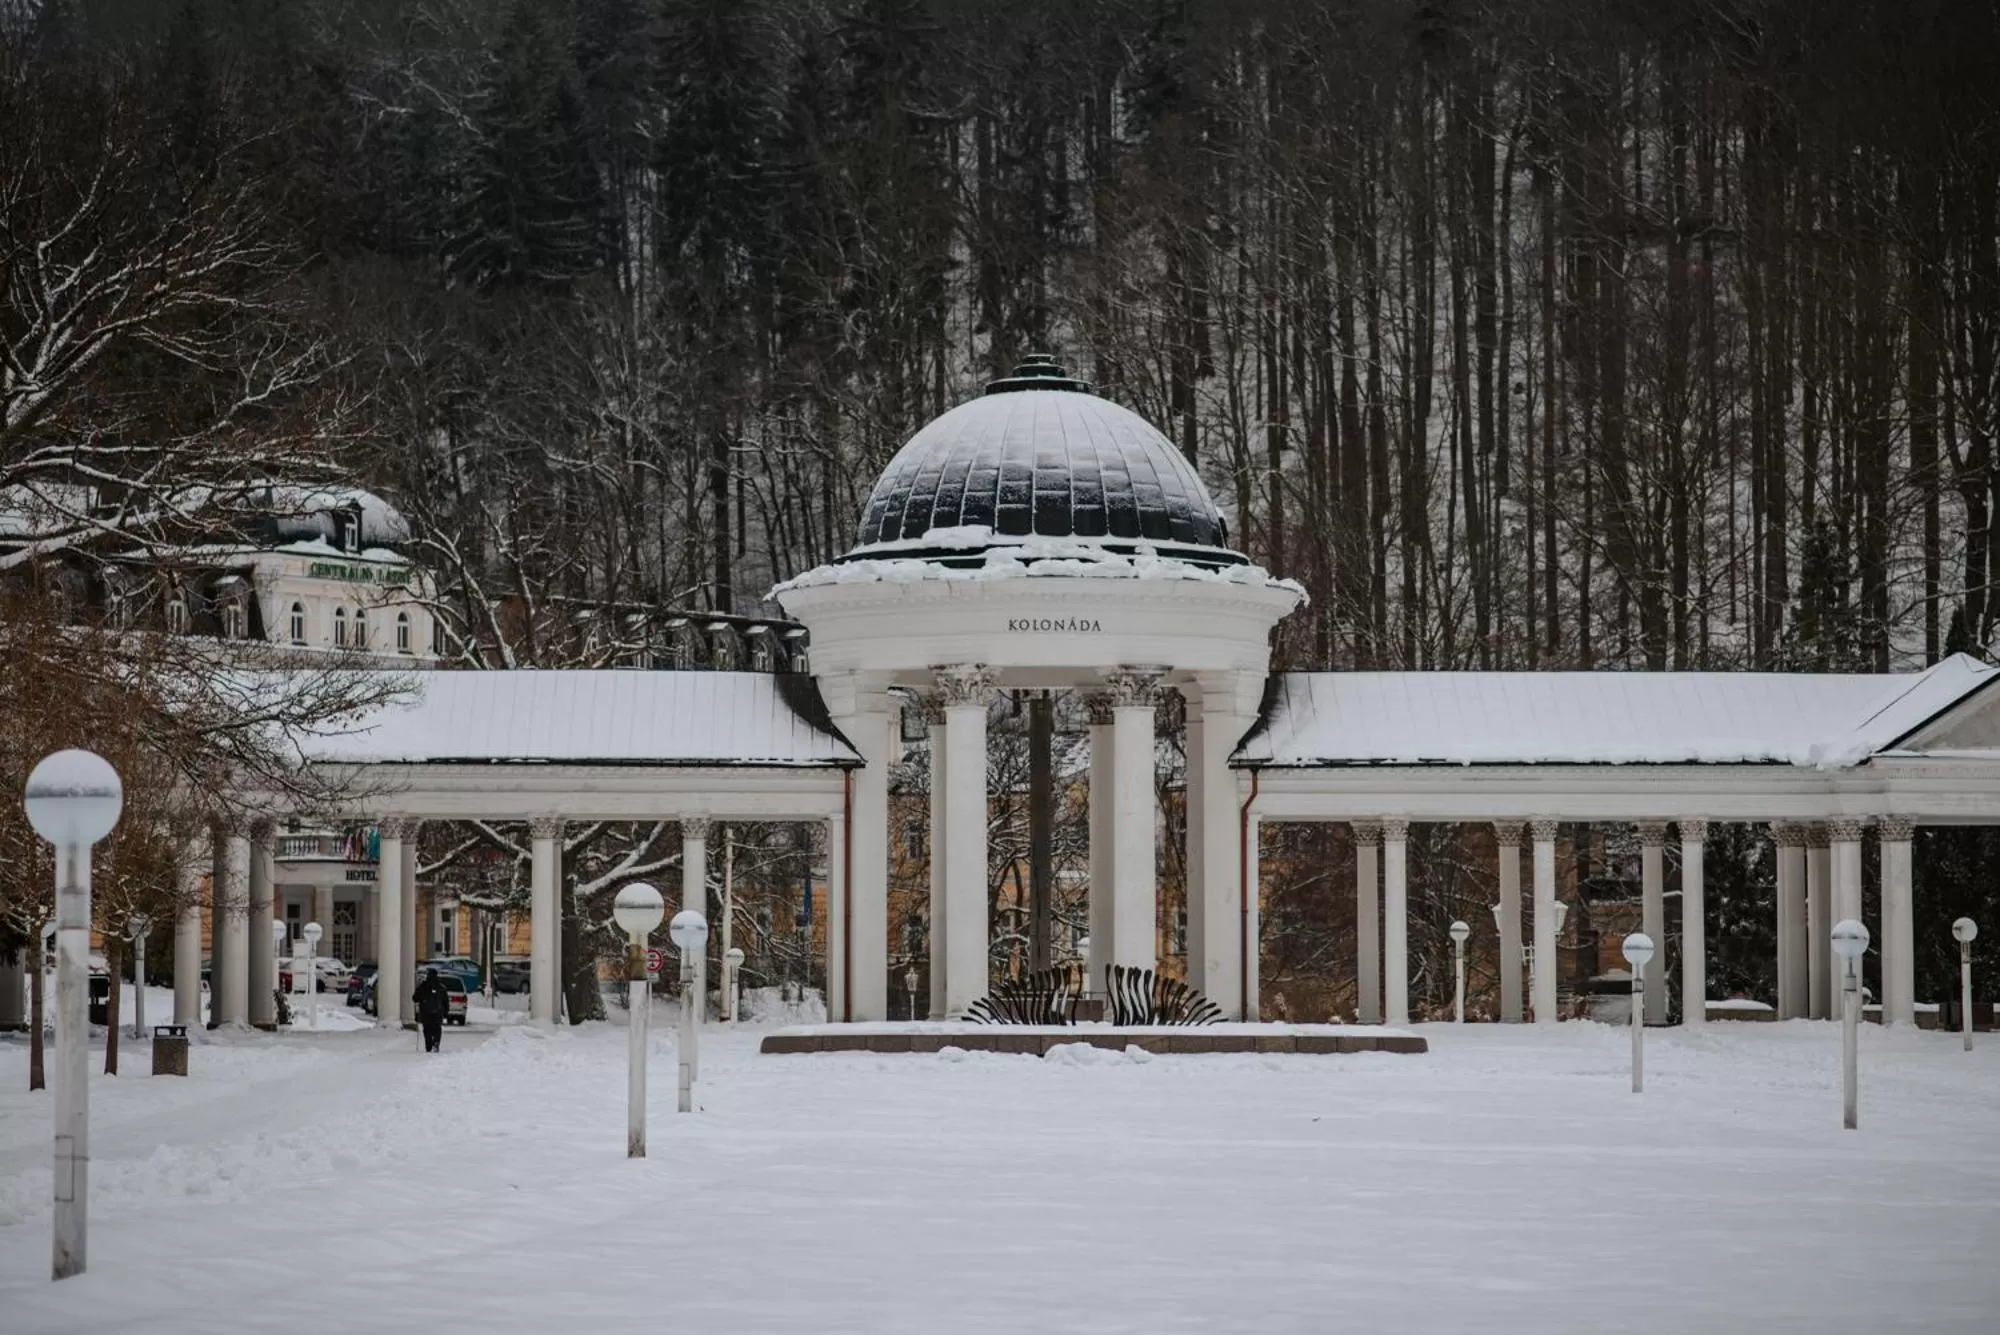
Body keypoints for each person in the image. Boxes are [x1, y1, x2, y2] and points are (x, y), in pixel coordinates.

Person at [413, 967, 449, 1053]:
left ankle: (428, 1045)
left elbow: (415, 998)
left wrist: (420, 999)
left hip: (425, 1012)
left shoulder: (423, 986)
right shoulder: (441, 987)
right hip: (438, 1011)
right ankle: (436, 1042)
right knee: (437, 1028)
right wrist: (446, 1012)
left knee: (427, 1028)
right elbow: (445, 1001)